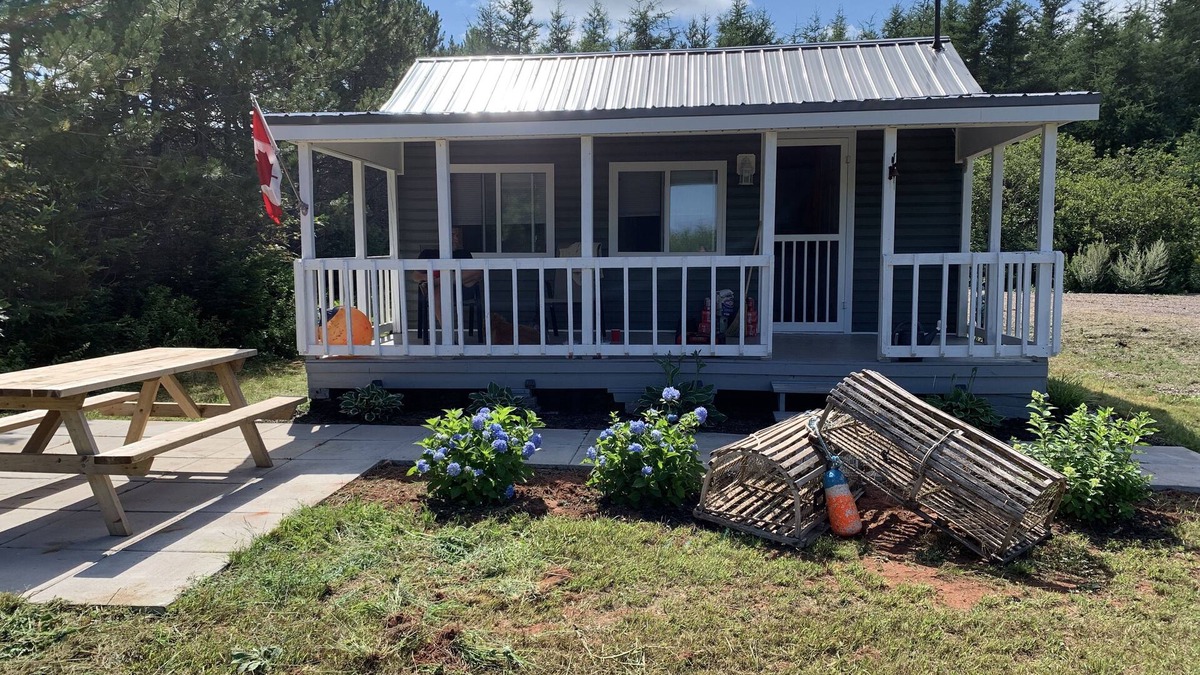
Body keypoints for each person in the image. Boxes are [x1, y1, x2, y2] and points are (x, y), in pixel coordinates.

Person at [411, 228, 484, 325]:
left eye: (458, 236)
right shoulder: (428, 253)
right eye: (453, 235)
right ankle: (448, 334)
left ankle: (442, 280)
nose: (457, 239)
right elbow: (415, 276)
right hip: (438, 290)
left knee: (477, 271)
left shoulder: (464, 253)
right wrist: (427, 278)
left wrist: (440, 280)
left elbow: (476, 274)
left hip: (460, 288)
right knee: (438, 293)